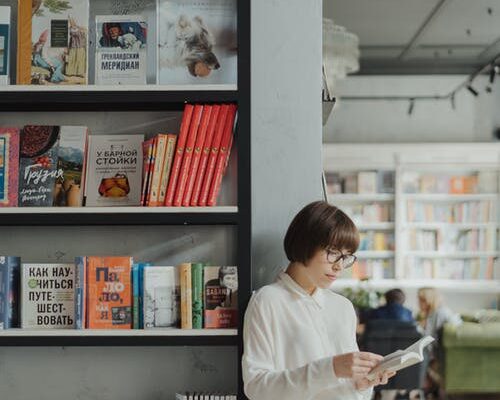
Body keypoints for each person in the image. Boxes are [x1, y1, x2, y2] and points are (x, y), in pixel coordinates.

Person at [242, 201, 395, 400]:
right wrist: (331, 369)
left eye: (346, 256)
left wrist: (361, 385)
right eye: (332, 253)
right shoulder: (268, 301)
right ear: (305, 243)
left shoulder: (343, 307)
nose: (340, 266)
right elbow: (257, 388)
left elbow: (350, 391)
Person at [417, 287, 462, 398]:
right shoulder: (440, 311)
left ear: (428, 300)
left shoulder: (436, 313)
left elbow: (429, 339)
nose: (419, 303)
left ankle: (426, 391)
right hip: (444, 353)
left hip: (440, 355)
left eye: (421, 300)